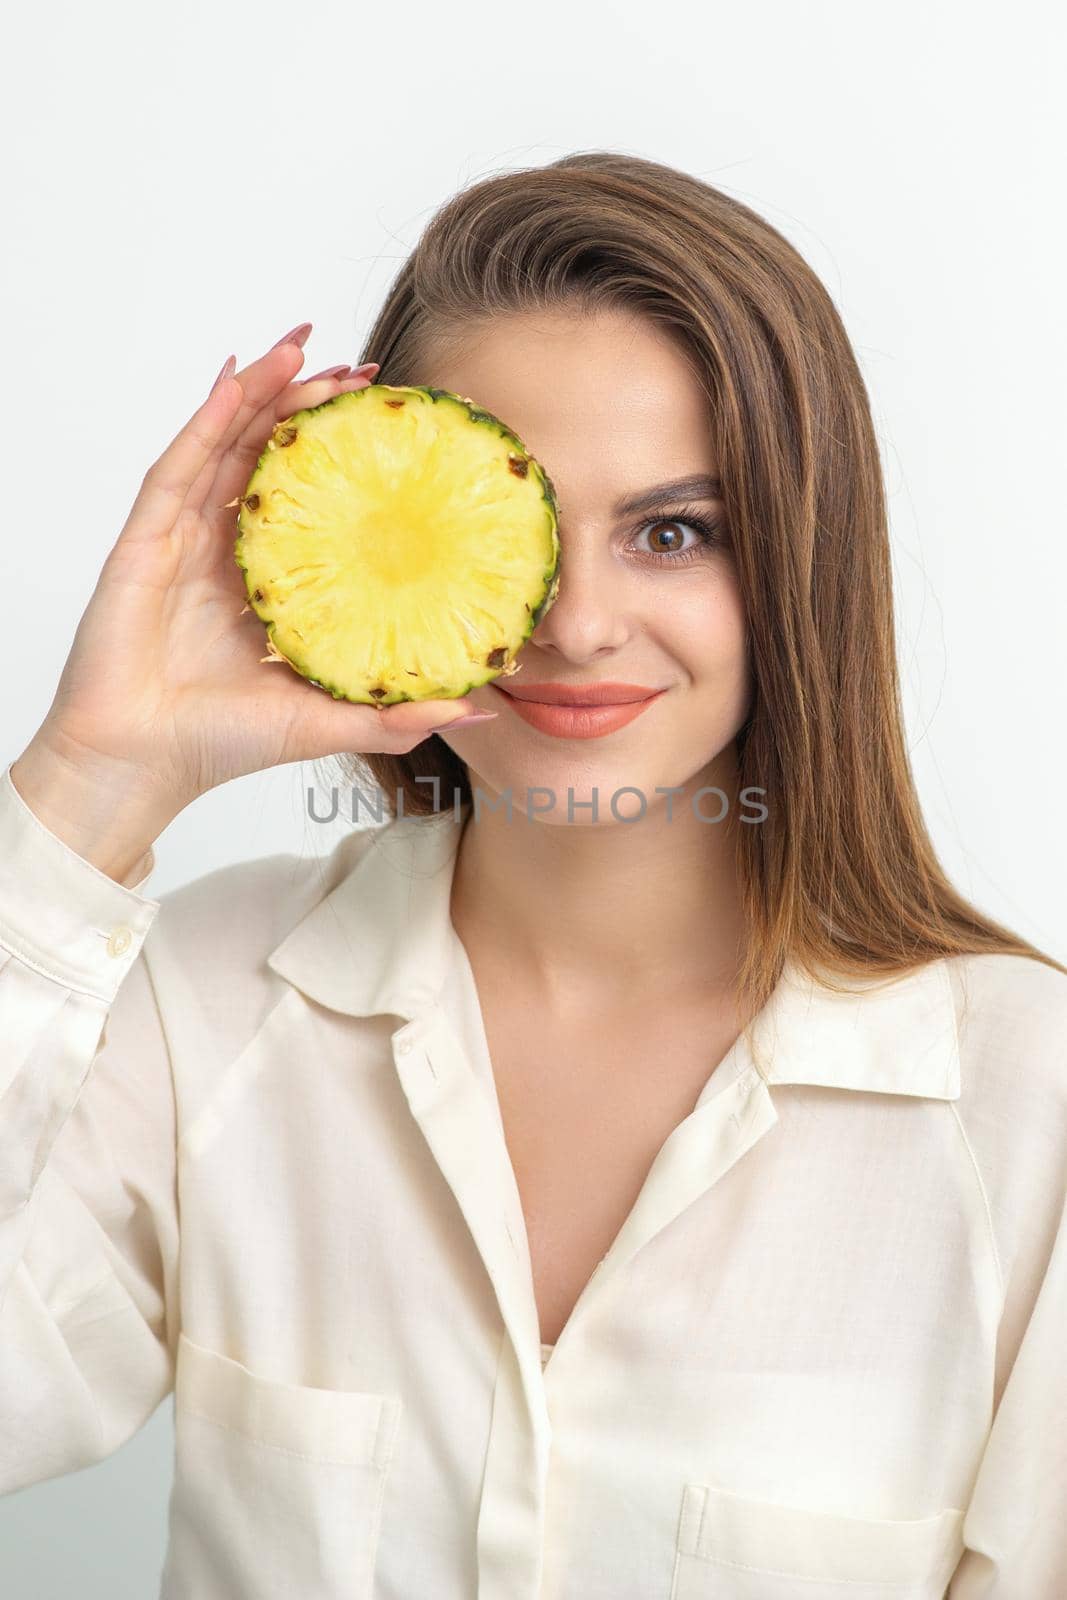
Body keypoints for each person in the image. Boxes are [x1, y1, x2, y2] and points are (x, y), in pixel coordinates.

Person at [1, 150, 1064, 1599]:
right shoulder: (197, 1009)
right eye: (509, 532)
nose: (571, 623)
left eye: (674, 532)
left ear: (801, 568)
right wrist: (93, 780)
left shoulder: (1028, 1107)